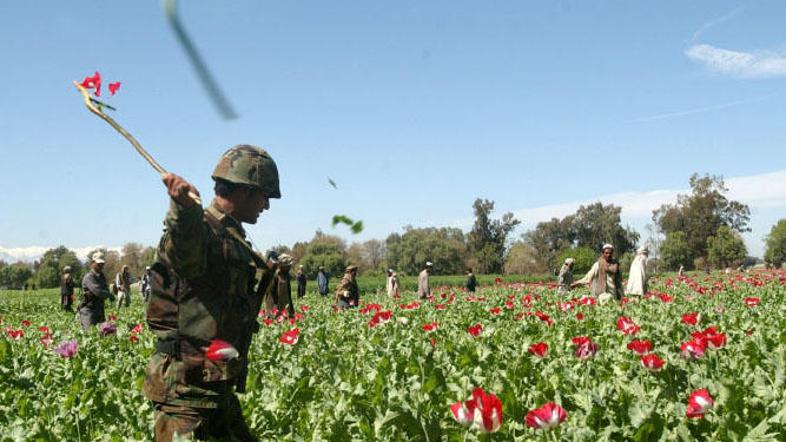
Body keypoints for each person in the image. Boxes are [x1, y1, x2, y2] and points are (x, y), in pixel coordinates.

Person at [143, 144, 281, 441]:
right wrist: (183, 211)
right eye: (264, 196)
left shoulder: (229, 234)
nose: (267, 206)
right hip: (185, 393)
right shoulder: (201, 230)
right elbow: (184, 248)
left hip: (214, 385)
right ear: (244, 191)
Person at [78, 252, 113, 331]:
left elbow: (106, 289)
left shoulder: (102, 276)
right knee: (90, 333)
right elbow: (98, 292)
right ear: (93, 263)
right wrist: (109, 295)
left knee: (103, 334)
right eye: (99, 264)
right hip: (88, 311)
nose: (101, 266)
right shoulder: (89, 277)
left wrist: (108, 293)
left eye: (102, 264)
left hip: (100, 310)